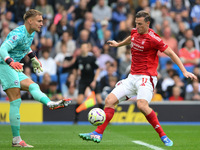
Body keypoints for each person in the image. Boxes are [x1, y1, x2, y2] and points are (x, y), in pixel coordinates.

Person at [79, 10, 197, 146]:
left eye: (140, 24)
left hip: (147, 77)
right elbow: (131, 38)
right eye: (136, 23)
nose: (137, 26)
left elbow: (171, 53)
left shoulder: (154, 39)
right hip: (132, 77)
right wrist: (118, 44)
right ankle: (98, 133)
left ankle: (163, 135)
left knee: (141, 105)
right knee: (109, 100)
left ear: (148, 23)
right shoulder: (135, 31)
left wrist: (184, 71)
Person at [0, 9, 71, 148]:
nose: (42, 24)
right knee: (16, 100)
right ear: (30, 21)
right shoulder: (18, 34)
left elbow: (26, 47)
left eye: (42, 21)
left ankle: (50, 104)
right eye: (39, 21)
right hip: (5, 65)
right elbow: (2, 48)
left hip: (14, 66)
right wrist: (10, 61)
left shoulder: (30, 33)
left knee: (33, 86)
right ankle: (16, 139)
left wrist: (33, 59)